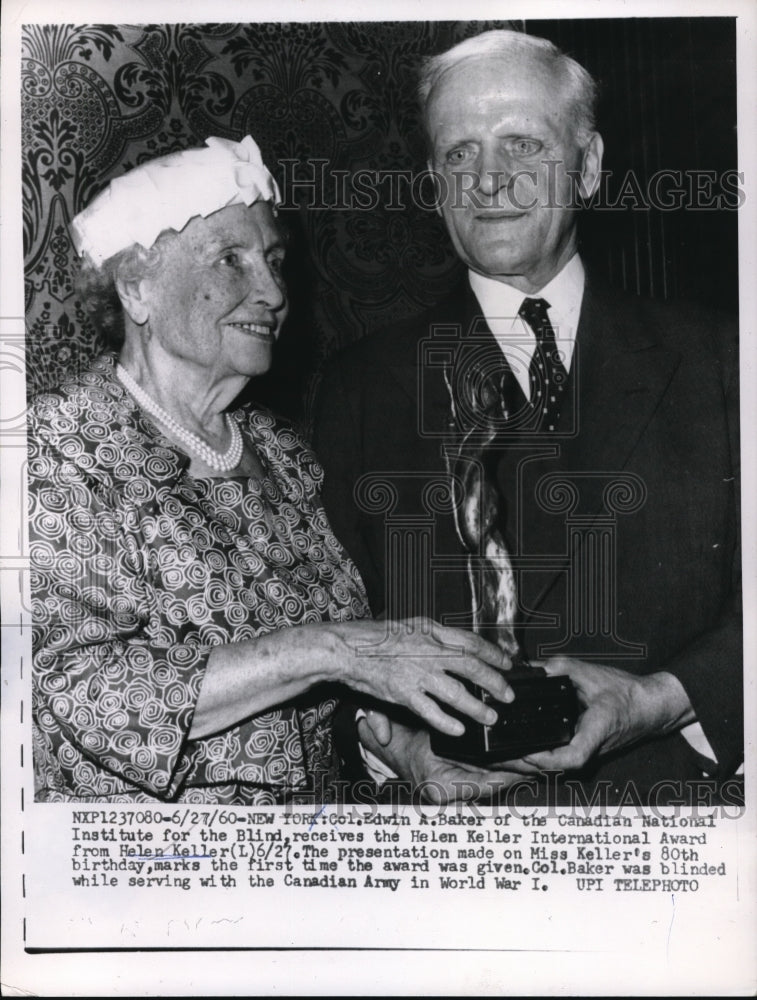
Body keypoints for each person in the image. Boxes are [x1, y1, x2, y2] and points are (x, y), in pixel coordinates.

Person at [313, 31, 742, 805]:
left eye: (521, 143)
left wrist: (658, 700)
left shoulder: (722, 357)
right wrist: (397, 745)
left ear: (587, 164)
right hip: (459, 844)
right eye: (458, 153)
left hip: (682, 835)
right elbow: (325, 635)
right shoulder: (358, 387)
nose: (488, 180)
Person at [28, 135, 515, 804]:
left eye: (274, 259)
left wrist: (406, 751)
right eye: (230, 260)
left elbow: (329, 690)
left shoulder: (282, 452)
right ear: (136, 288)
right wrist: (334, 649)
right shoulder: (58, 447)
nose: (272, 291)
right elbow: (83, 695)